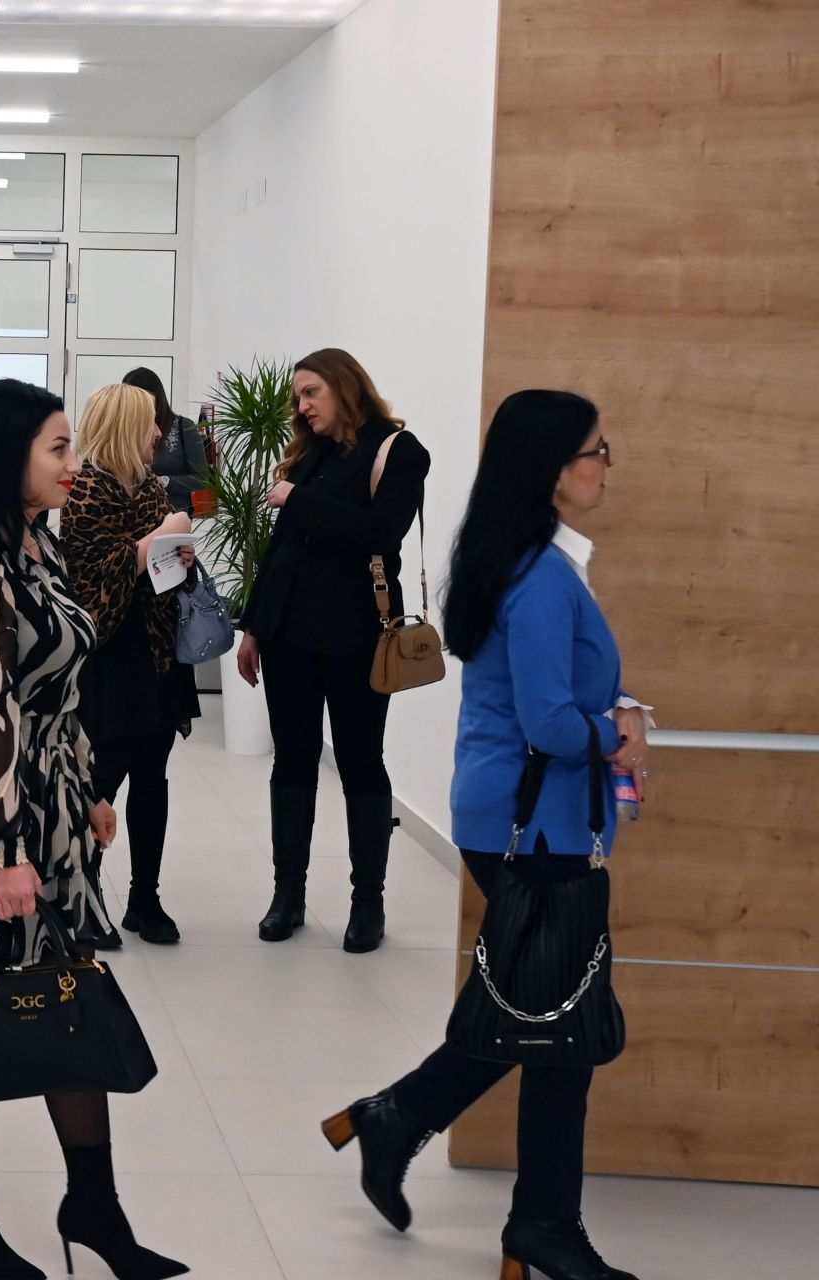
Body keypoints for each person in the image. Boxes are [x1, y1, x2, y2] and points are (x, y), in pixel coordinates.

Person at [320, 389, 646, 1280]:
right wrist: (615, 732)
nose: (606, 466)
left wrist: (615, 712)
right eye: (596, 451)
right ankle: (539, 1226)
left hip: (519, 820)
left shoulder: (527, 561)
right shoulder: (539, 579)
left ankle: (399, 1124)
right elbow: (550, 722)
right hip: (532, 828)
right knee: (556, 1033)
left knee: (542, 1018)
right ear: (552, 470)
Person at [0, 378, 188, 1280]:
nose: (73, 462)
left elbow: (59, 691)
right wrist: (10, 852)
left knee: (68, 993)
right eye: (58, 446)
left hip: (48, 797)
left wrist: (86, 788)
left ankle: (93, 1204)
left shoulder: (39, 544)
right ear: (6, 455)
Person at [236, 348, 430, 952]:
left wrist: (298, 499)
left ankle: (367, 902)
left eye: (311, 392)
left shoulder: (399, 451)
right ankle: (287, 895)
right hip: (289, 638)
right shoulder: (311, 453)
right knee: (292, 761)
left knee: (360, 762)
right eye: (298, 396)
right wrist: (254, 627)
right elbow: (280, 552)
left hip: (359, 639)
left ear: (345, 388)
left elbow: (379, 532)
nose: (302, 406)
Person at [62, 384, 200, 948]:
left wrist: (182, 556)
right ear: (124, 426)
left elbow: (164, 572)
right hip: (109, 660)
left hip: (157, 653)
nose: (159, 434)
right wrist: (159, 539)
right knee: (100, 779)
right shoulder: (84, 489)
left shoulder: (149, 487)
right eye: (149, 423)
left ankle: (146, 897)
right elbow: (93, 584)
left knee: (152, 779)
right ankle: (83, 895)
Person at [121, 367, 209, 515]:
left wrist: (163, 481)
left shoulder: (183, 427)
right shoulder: (124, 429)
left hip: (173, 514)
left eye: (137, 399)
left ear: (154, 398)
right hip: (132, 515)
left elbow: (201, 479)